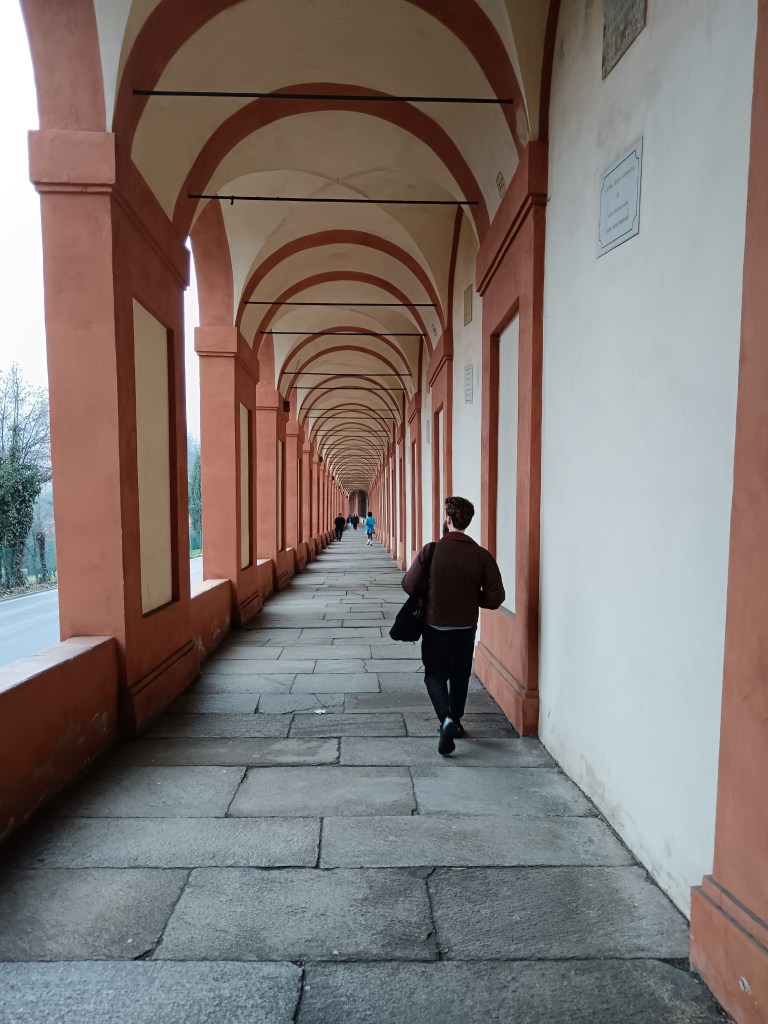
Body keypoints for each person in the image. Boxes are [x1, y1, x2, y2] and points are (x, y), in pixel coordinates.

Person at [402, 495, 504, 756]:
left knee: (435, 674)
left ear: (447, 519)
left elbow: (409, 585)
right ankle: (456, 722)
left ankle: (445, 719)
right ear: (468, 522)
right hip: (466, 627)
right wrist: (472, 596)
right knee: (460, 676)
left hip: (435, 625)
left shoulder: (431, 550)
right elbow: (495, 597)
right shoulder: (481, 555)